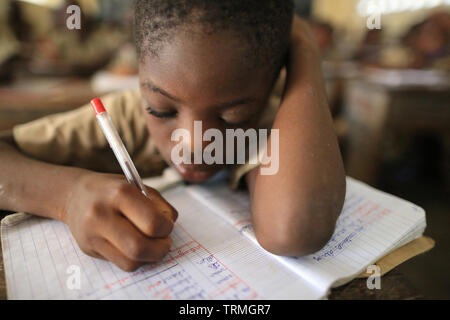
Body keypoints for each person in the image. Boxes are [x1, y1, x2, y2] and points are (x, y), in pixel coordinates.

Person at [0, 0, 345, 272]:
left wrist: (303, 46)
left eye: (230, 117)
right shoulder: (124, 115)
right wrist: (67, 196)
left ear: (271, 87)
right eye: (162, 110)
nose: (193, 144)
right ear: (139, 78)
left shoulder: (268, 128)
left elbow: (295, 229)